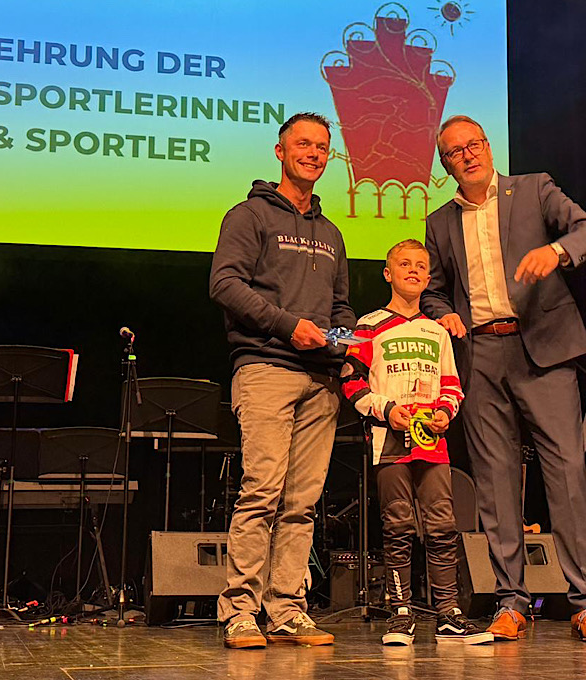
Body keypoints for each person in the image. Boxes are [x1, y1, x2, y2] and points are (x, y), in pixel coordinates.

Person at [420, 115, 586, 643]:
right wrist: (443, 313)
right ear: (445, 166)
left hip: (543, 349)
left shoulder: (533, 189)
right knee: (494, 480)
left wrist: (556, 251)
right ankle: (510, 602)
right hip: (481, 353)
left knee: (566, 472)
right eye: (455, 152)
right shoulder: (439, 222)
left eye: (474, 145)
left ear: (488, 147)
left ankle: (585, 602)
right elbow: (433, 290)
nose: (467, 155)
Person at [209, 112, 355, 649]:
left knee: (302, 503)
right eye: (303, 144)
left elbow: (341, 307)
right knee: (262, 494)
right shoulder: (248, 215)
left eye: (322, 147)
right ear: (280, 151)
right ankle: (240, 612)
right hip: (266, 368)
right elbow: (224, 284)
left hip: (320, 381)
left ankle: (287, 610)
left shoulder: (332, 233)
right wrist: (287, 325)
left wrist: (342, 345)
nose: (313, 154)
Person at [340, 239, 492, 646]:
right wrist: (385, 409)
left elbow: (452, 385)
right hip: (388, 442)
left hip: (432, 444)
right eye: (404, 264)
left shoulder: (437, 331)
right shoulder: (368, 326)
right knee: (398, 526)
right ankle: (400, 613)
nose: (413, 270)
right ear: (387, 273)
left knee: (442, 526)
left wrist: (445, 411)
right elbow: (351, 380)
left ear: (428, 278)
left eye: (421, 266)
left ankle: (448, 613)